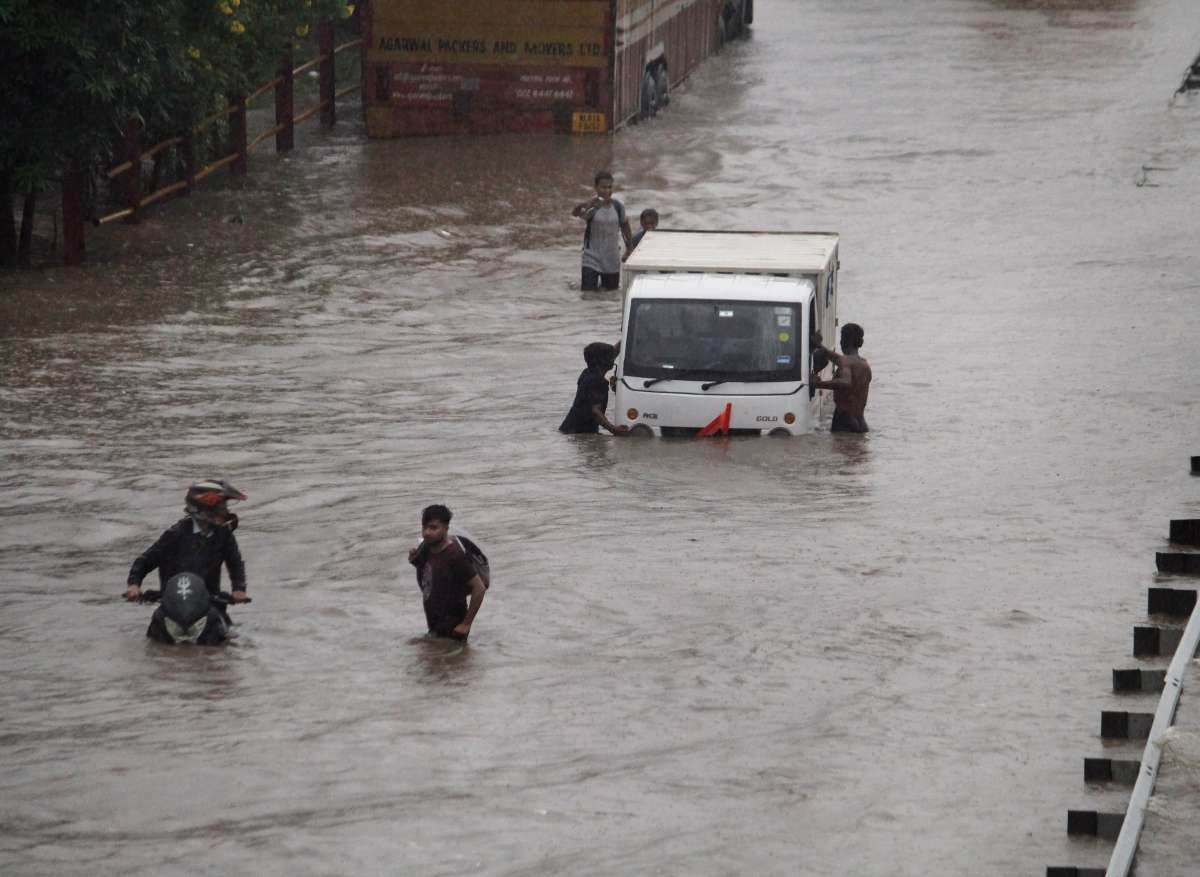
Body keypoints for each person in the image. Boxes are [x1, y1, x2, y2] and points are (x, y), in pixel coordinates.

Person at [124, 479, 250, 604]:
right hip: (172, 606)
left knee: (223, 623)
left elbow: (235, 563)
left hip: (210, 604)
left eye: (224, 507)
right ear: (203, 509)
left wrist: (239, 589)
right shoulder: (176, 534)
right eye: (220, 507)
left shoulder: (224, 534)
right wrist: (134, 585)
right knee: (157, 622)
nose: (224, 512)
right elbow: (145, 560)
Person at [407, 504, 487, 641]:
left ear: (446, 528)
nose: (427, 532)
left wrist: (466, 624)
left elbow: (479, 588)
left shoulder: (454, 555)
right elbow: (432, 575)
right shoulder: (427, 547)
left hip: (454, 627)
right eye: (424, 527)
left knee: (456, 661)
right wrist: (414, 560)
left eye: (433, 528)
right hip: (434, 623)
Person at [571, 170, 633, 291]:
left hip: (612, 259)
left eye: (609, 187)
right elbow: (576, 214)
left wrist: (629, 249)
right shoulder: (593, 206)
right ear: (596, 187)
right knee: (587, 295)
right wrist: (584, 204)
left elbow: (625, 226)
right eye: (603, 187)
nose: (607, 191)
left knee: (610, 295)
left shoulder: (618, 207)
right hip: (591, 258)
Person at [559, 341, 629, 435]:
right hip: (579, 431)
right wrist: (614, 429)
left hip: (570, 428)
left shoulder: (587, 373)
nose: (613, 358)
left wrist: (626, 335)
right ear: (603, 361)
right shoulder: (597, 381)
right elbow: (595, 412)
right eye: (610, 357)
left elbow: (614, 352)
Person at [812, 323, 872, 433]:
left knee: (839, 450)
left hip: (844, 422)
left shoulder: (845, 362)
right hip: (861, 423)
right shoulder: (864, 364)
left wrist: (818, 384)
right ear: (859, 343)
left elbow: (845, 382)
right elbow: (839, 359)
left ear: (842, 341)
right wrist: (820, 346)